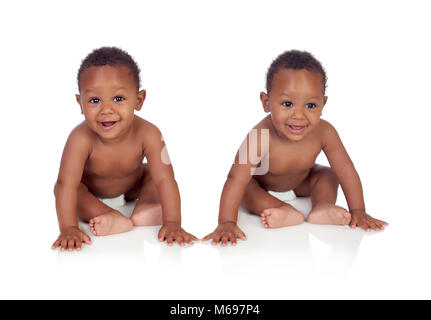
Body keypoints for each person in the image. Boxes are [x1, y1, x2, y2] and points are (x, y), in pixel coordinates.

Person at [204, 50, 388, 246]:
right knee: (246, 188)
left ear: (323, 103)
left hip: (302, 181)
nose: (299, 115)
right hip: (262, 186)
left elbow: (346, 170)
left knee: (328, 174)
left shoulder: (325, 132)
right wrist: (226, 222)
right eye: (287, 103)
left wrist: (358, 211)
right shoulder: (259, 136)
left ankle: (322, 206)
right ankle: (282, 209)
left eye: (310, 105)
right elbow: (235, 178)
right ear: (267, 102)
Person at [52, 47, 197, 251]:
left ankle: (146, 209)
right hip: (91, 191)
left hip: (132, 185)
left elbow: (166, 179)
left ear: (139, 100)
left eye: (118, 98)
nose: (107, 110)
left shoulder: (150, 133)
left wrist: (173, 222)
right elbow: (66, 184)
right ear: (80, 103)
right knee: (64, 189)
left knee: (154, 176)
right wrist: (68, 228)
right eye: (95, 100)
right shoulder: (80, 138)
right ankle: (107, 214)